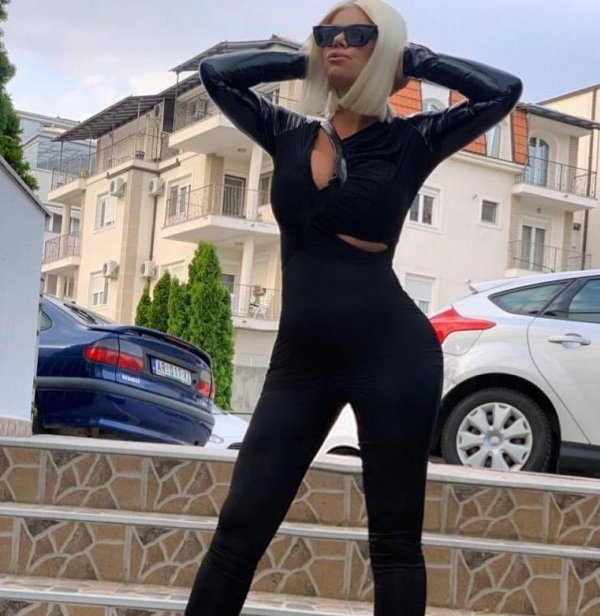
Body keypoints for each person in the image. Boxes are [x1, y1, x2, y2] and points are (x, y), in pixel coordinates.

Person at [184, 0, 522, 614]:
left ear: (384, 49)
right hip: (299, 365)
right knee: (238, 531)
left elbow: (504, 91)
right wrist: (308, 60)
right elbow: (217, 75)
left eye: (357, 35)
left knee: (394, 543)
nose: (336, 43)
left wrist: (413, 61)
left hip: (393, 359)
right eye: (326, 34)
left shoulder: (413, 139)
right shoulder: (286, 132)